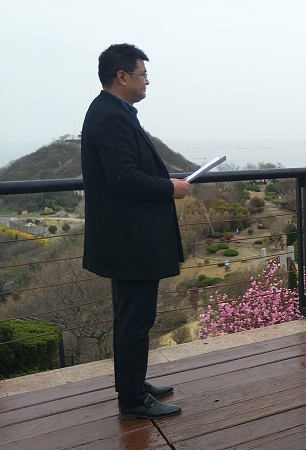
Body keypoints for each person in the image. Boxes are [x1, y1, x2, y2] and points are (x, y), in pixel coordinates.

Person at [81, 43, 189, 419]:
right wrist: (169, 188)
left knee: (132, 317)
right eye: (143, 74)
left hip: (125, 238)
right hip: (129, 241)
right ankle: (132, 400)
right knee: (134, 320)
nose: (147, 81)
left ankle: (133, 384)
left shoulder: (112, 111)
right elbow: (124, 177)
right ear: (122, 76)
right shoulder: (111, 115)